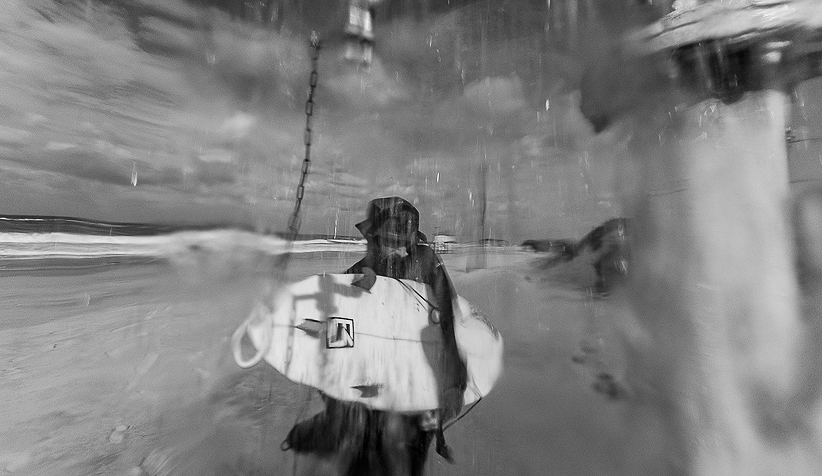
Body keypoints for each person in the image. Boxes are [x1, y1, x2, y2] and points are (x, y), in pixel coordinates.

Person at [282, 196, 468, 476]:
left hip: (414, 388)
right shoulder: (356, 274)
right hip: (370, 390)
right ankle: (320, 435)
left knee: (408, 453)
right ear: (373, 235)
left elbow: (447, 327)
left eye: (403, 233)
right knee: (359, 444)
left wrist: (454, 385)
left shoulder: (427, 264)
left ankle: (326, 435)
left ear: (412, 237)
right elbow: (337, 337)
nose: (394, 241)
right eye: (388, 233)